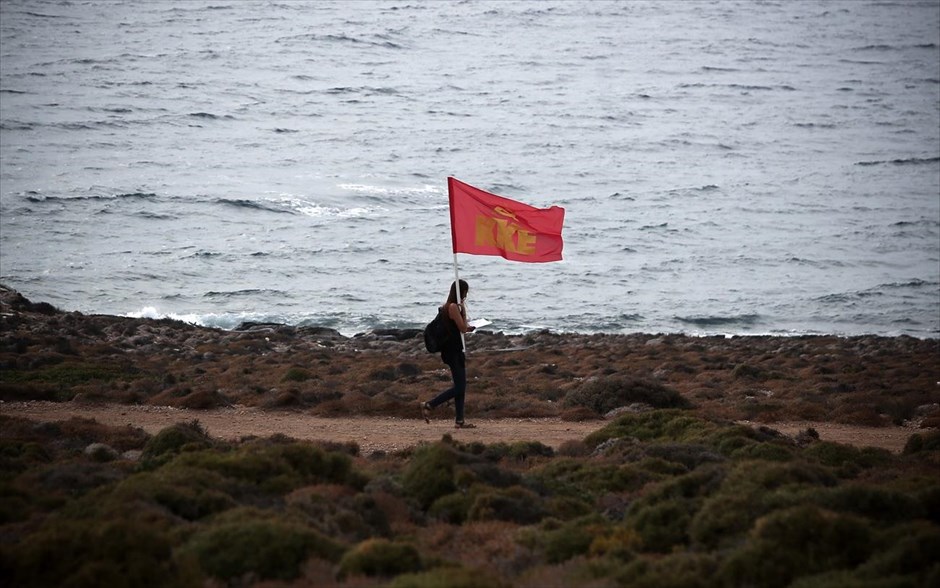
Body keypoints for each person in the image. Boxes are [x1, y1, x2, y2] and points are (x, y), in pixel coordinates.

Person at [421, 279, 476, 428]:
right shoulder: (452, 307)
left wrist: (467, 325)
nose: (465, 296)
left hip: (455, 349)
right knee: (459, 387)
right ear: (460, 292)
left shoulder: (451, 307)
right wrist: (463, 311)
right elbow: (462, 328)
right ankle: (430, 404)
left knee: (461, 385)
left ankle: (459, 420)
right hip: (452, 351)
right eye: (465, 292)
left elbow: (461, 328)